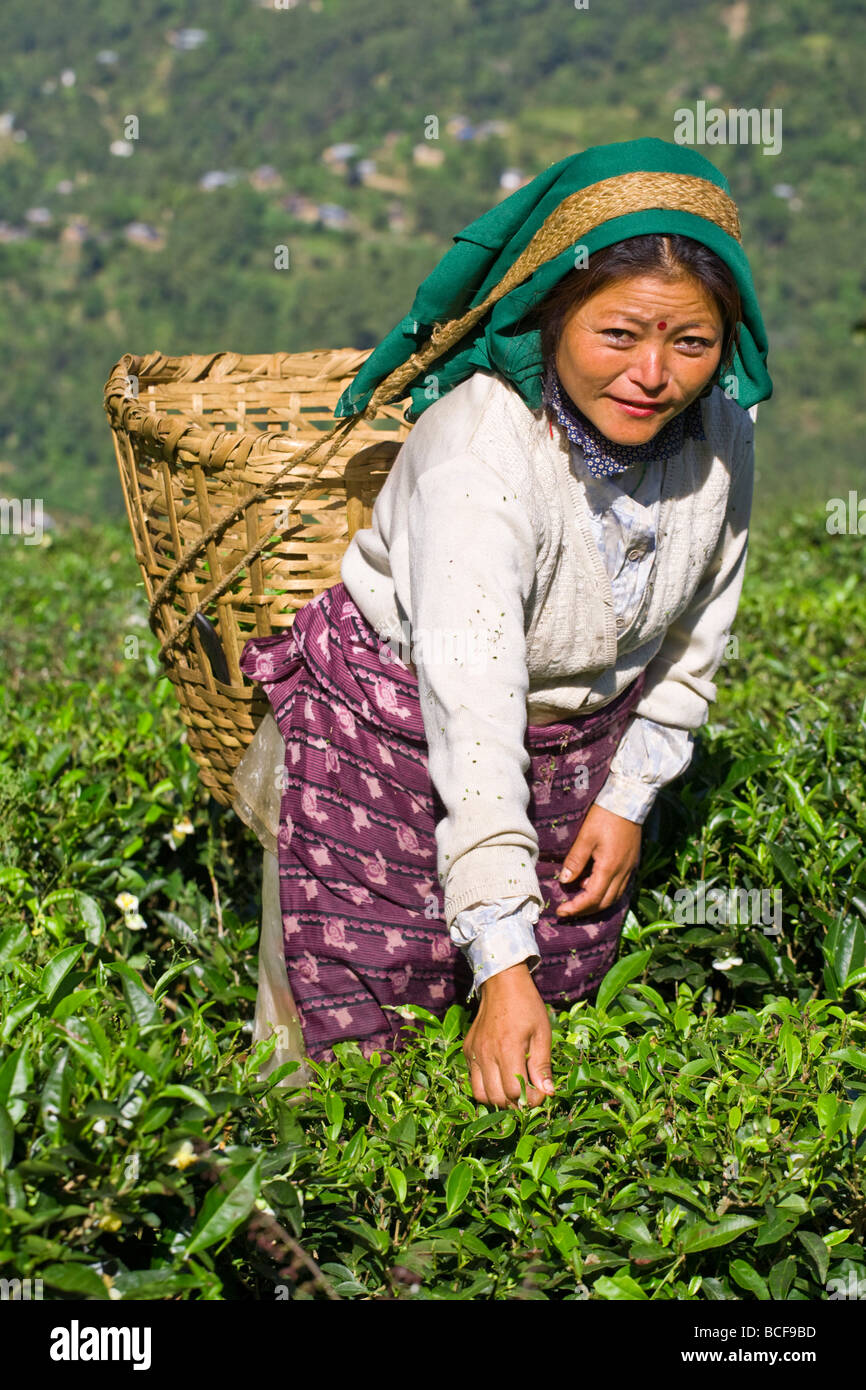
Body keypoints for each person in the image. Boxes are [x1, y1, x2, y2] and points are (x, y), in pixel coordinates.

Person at [233, 136, 772, 1111]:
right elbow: (473, 713)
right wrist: (501, 964)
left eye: (688, 343)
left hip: (576, 746)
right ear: (552, 312)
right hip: (395, 739)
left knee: (553, 1028)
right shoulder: (480, 452)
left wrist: (627, 793)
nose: (653, 373)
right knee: (355, 1039)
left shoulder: (721, 431)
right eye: (618, 334)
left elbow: (700, 624)